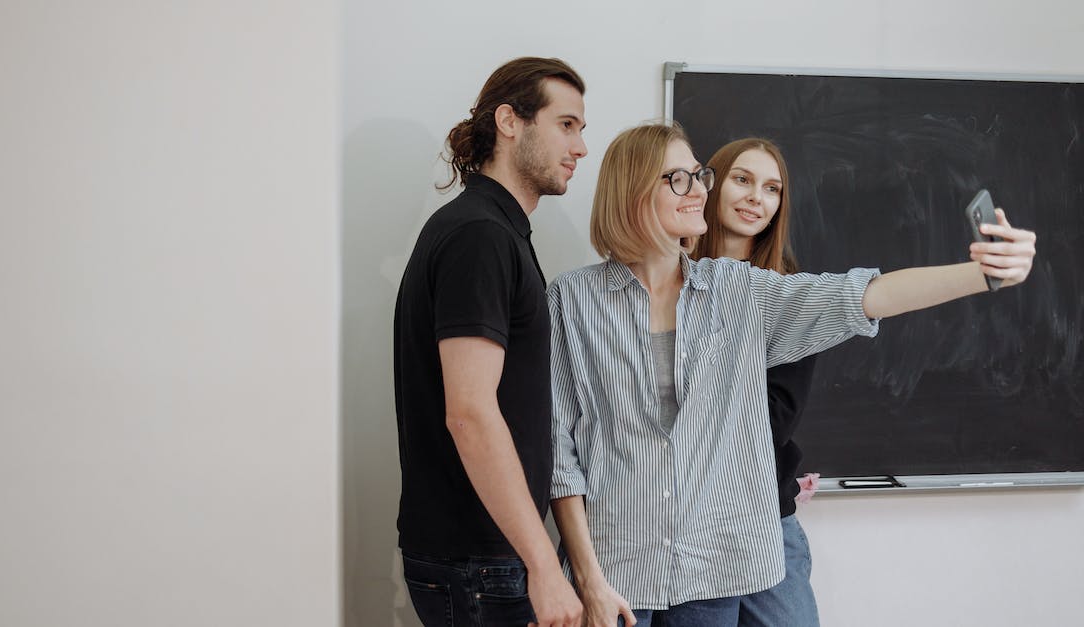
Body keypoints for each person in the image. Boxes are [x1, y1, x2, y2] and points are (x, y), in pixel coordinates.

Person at [547, 123, 1036, 627]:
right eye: (678, 179)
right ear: (631, 189)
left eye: (699, 176)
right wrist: (587, 578)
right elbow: (561, 452)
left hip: (711, 574)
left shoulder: (737, 290)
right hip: (613, 570)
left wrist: (982, 275)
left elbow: (858, 296)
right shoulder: (572, 300)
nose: (698, 191)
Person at [393, 56, 588, 627]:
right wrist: (543, 567)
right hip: (480, 562)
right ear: (510, 121)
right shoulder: (480, 236)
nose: (580, 148)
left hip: (485, 559)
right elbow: (471, 414)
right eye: (567, 124)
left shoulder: (493, 231)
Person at [689, 137, 821, 626]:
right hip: (678, 523)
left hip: (764, 515)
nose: (755, 198)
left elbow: (772, 420)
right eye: (742, 179)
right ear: (712, 182)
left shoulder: (789, 296)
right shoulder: (667, 279)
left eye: (772, 189)